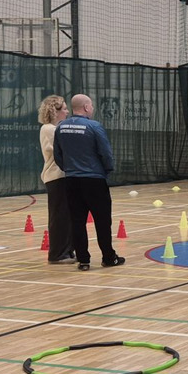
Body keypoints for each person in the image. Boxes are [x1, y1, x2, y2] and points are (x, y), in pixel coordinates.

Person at [53, 93, 123, 270]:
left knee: (77, 221)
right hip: (94, 180)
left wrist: (69, 169)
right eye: (91, 105)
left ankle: (83, 260)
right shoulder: (94, 126)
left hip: (72, 180)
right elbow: (106, 153)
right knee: (102, 220)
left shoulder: (61, 127)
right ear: (86, 107)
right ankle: (108, 257)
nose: (92, 108)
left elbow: (57, 154)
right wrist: (106, 171)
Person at [36, 94, 74, 264]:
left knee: (67, 216)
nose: (67, 112)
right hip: (56, 176)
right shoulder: (49, 129)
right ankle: (57, 254)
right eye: (64, 109)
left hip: (64, 176)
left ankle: (68, 250)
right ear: (55, 111)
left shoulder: (57, 128)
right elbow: (57, 150)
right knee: (59, 217)